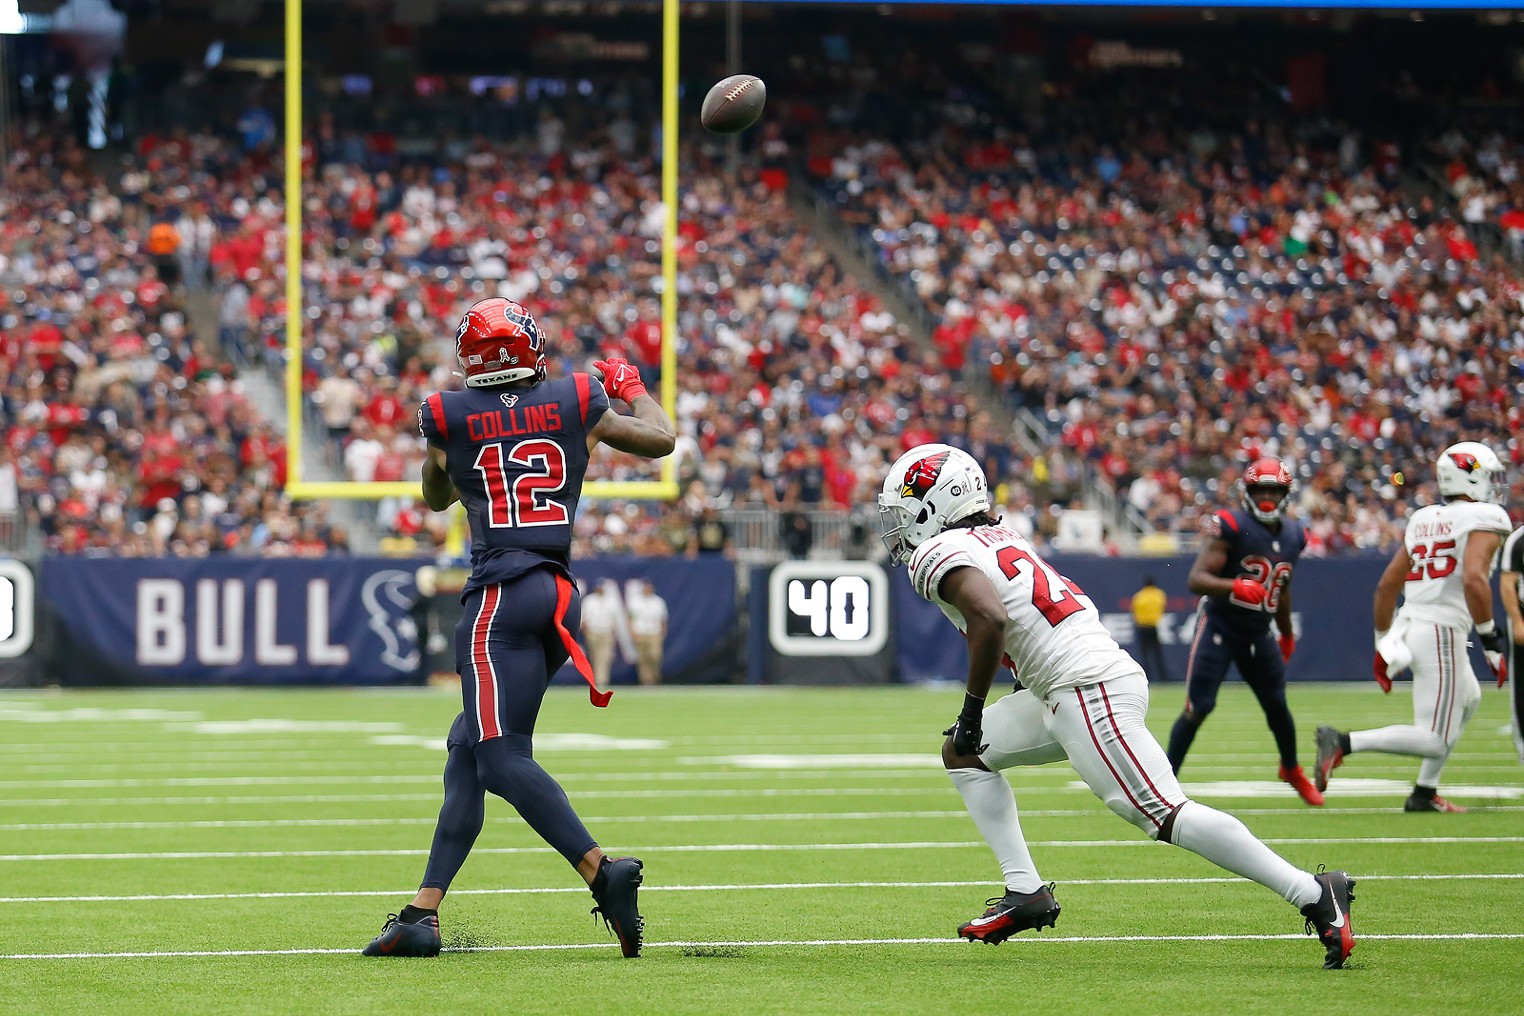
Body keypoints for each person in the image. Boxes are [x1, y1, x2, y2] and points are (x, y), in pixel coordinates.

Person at [877, 444, 1357, 970]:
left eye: (904, 511)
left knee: (1164, 814)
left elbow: (990, 620)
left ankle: (1313, 892)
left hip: (1084, 687)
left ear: (936, 502)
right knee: (963, 755)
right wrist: (981, 720)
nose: (900, 529)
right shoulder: (1002, 535)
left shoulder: (937, 552)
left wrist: (972, 713)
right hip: (1071, 683)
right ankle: (1026, 891)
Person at [362, 297, 675, 959]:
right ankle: (424, 911)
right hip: (557, 595)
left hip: (499, 596)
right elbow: (661, 439)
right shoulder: (579, 399)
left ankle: (601, 870)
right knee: (468, 749)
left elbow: (436, 496)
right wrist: (631, 389)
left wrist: (444, 450)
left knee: (501, 759)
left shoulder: (447, 414)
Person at [1315, 442, 1512, 810]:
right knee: (1434, 738)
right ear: (1470, 477)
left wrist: (1383, 643)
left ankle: (1424, 792)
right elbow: (1473, 579)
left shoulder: (1423, 519)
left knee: (1469, 698)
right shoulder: (1485, 516)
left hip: (1414, 625)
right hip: (1441, 630)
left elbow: (1387, 585)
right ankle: (1343, 742)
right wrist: (1490, 638)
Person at [1165, 457, 1323, 806]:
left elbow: (1282, 587)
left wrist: (1284, 633)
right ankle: (1164, 782)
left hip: (1257, 631)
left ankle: (1291, 768)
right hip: (1220, 627)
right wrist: (1234, 586)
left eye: (1274, 490)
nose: (1267, 496)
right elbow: (1196, 579)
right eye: (1260, 489)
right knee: (1198, 707)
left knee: (1277, 704)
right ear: (1247, 492)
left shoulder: (1296, 534)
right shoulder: (1232, 525)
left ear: (1285, 493)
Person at [1504, 522, 1524, 762]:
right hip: (1523, 612)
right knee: (1521, 684)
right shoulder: (1518, 539)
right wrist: (1517, 621)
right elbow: (1508, 583)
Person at [580, 578, 622, 693]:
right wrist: (586, 629)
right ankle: (595, 680)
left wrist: (613, 631)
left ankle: (602, 681)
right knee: (594, 656)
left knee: (604, 657)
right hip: (593, 632)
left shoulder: (611, 601)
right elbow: (584, 617)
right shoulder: (589, 600)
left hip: (606, 632)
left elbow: (615, 619)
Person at [627, 578, 668, 686]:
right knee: (642, 658)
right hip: (640, 632)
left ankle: (655, 676)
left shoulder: (658, 602)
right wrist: (632, 632)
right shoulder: (635, 602)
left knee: (655, 656)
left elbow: (663, 619)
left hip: (654, 632)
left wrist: (662, 632)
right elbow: (630, 618)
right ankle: (647, 681)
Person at [1130, 575, 1170, 683]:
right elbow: (1162, 606)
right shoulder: (1159, 594)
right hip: (1154, 626)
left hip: (1142, 627)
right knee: (1157, 653)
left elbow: (1133, 610)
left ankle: (1147, 676)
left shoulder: (1139, 596)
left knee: (1144, 653)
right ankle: (1163, 677)